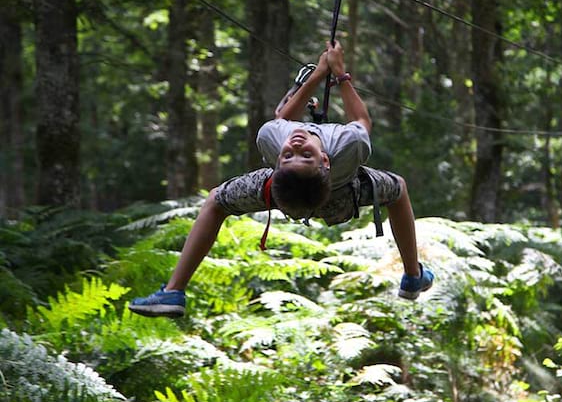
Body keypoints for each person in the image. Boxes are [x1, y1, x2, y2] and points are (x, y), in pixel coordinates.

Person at [129, 40, 434, 318]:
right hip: (342, 196)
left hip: (285, 194)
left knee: (216, 201)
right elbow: (362, 121)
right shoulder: (347, 146)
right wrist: (339, 74)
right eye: (302, 156)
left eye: (290, 156)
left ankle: (174, 291)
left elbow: (283, 121)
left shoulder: (273, 139)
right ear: (325, 161)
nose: (296, 147)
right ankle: (412, 276)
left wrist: (317, 76)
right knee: (398, 189)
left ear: (276, 164)